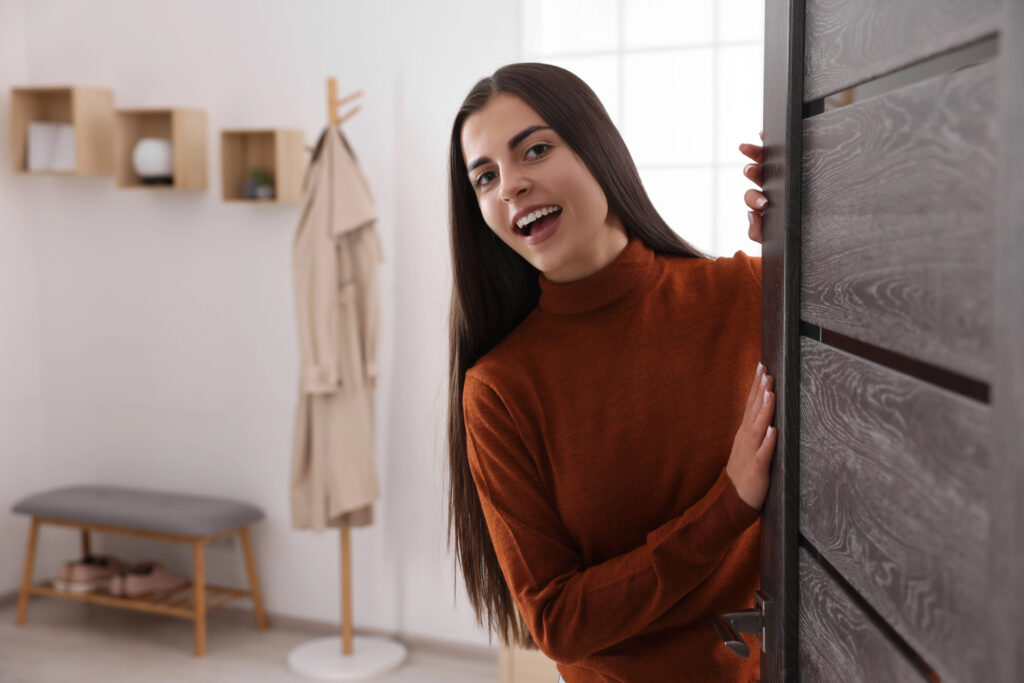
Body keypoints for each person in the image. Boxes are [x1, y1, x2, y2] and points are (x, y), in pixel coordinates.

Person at [445, 62, 775, 683]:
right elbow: (558, 623)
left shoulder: (746, 292)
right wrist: (727, 506)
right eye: (485, 176)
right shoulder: (499, 389)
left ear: (597, 148)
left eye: (535, 150)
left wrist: (808, 243)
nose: (510, 185)